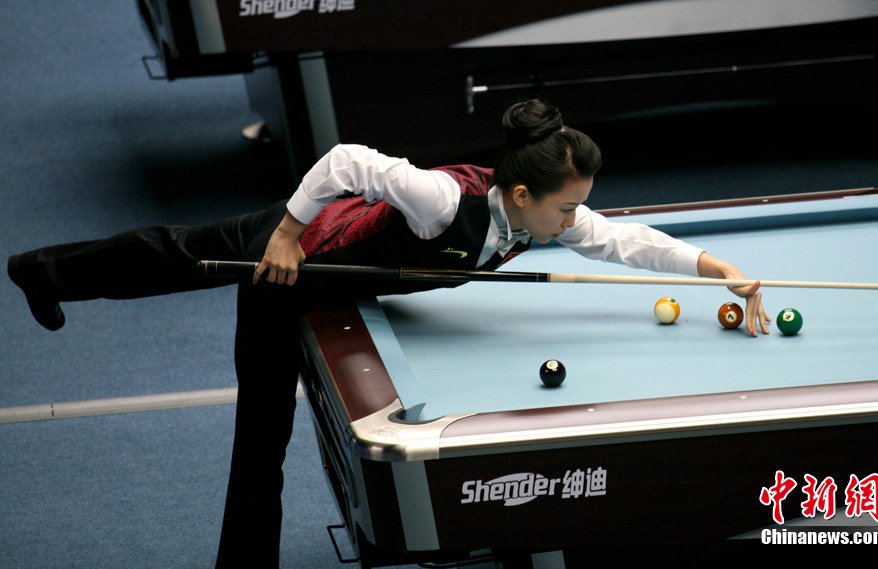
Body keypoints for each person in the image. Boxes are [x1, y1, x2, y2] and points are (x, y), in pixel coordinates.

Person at [8, 99, 769, 567]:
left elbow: (626, 241)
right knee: (251, 407)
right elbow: (347, 161)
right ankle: (44, 270)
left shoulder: (539, 217)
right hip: (294, 266)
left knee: (179, 258)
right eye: (568, 207)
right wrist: (289, 232)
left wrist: (716, 267)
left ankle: (43, 270)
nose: (576, 220)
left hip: (340, 263)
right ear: (523, 192)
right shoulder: (443, 201)